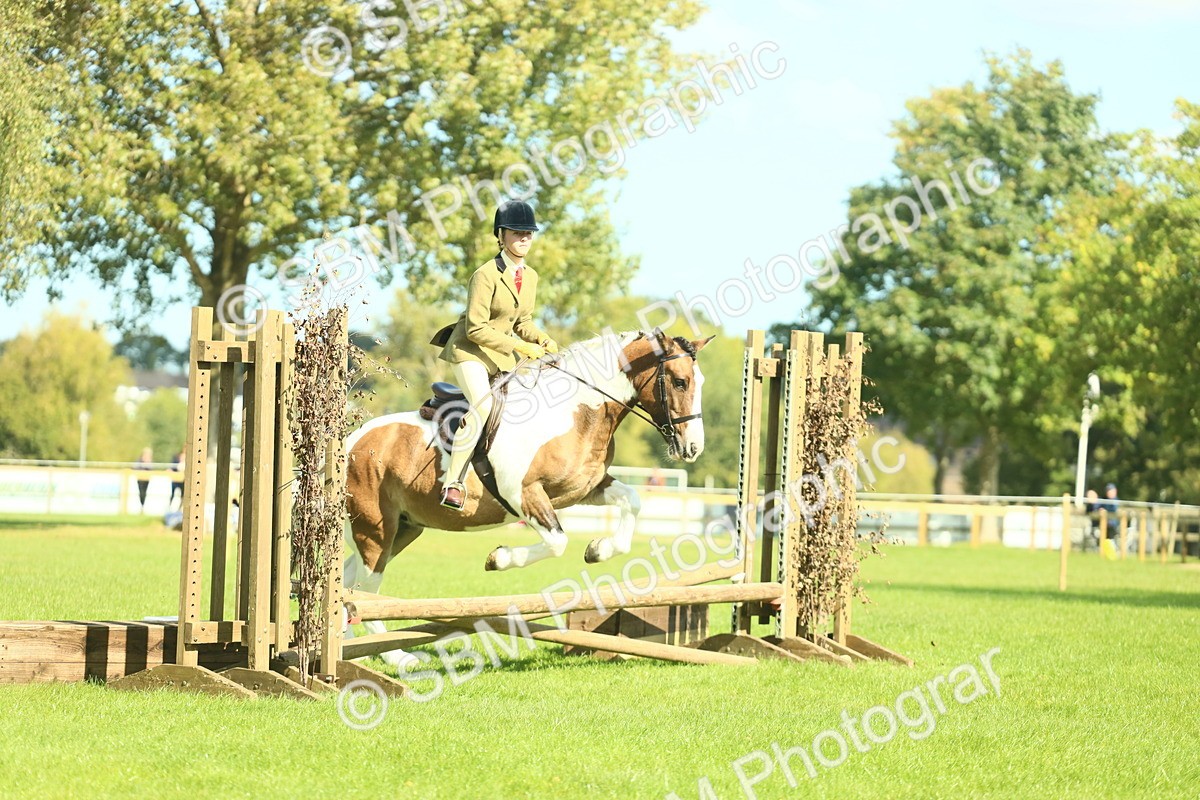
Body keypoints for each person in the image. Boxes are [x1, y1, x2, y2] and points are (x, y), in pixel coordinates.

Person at [428, 200, 560, 511]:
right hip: (469, 351)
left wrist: (541, 338)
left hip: (500, 355)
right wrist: (519, 346)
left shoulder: (531, 276)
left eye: (528, 233)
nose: (524, 238)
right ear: (501, 236)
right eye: (517, 233)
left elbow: (522, 322)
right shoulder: (485, 274)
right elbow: (475, 328)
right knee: (484, 404)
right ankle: (453, 482)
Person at [134, 447, 154, 513]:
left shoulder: (149, 461)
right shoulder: (139, 461)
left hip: (146, 479)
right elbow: (136, 468)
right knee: (141, 492)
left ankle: (143, 506)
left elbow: (151, 469)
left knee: (144, 492)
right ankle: (141, 506)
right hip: (140, 479)